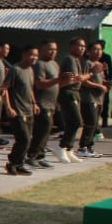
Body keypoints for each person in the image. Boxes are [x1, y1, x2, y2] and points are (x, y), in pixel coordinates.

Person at [26, 40, 63, 169]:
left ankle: (40, 156)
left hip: (51, 103)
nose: (53, 52)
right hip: (41, 103)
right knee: (42, 130)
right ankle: (32, 155)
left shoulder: (55, 64)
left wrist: (66, 81)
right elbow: (40, 84)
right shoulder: (40, 64)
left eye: (55, 50)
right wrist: (58, 79)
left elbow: (57, 83)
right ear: (42, 50)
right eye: (50, 49)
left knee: (47, 131)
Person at [4, 46, 40, 175]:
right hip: (17, 110)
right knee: (23, 139)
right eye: (31, 55)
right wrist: (8, 107)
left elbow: (30, 89)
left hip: (28, 109)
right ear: (24, 55)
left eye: (36, 55)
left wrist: (34, 103)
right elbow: (4, 89)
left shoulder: (30, 70)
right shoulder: (15, 69)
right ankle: (12, 163)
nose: (34, 58)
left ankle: (19, 164)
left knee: (28, 139)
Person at [55, 37, 89, 162]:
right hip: (68, 92)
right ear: (72, 46)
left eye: (84, 46)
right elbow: (76, 78)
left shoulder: (77, 60)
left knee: (73, 122)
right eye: (79, 46)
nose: (82, 48)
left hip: (74, 92)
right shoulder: (69, 59)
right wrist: (91, 73)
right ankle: (61, 147)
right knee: (76, 121)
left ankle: (68, 149)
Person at [78, 43, 108, 158]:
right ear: (89, 51)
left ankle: (89, 147)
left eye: (100, 49)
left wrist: (107, 83)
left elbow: (101, 80)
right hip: (89, 98)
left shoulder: (100, 65)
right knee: (90, 122)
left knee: (95, 124)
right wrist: (99, 86)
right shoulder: (87, 63)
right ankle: (83, 147)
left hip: (99, 98)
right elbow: (84, 80)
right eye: (95, 49)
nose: (98, 51)